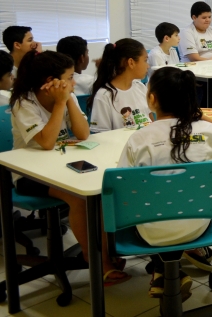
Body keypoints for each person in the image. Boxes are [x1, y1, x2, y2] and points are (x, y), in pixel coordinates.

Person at [118, 67, 212, 297]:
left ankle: (162, 270)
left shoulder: (139, 138)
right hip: (198, 224)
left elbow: (123, 188)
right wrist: (205, 119)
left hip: (151, 231)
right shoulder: (205, 130)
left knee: (150, 206)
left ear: (152, 99)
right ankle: (169, 269)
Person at [10, 50, 130, 286]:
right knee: (79, 198)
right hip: (28, 173)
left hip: (62, 163)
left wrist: (67, 99)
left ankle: (105, 251)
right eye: (69, 77)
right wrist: (60, 102)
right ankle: (93, 257)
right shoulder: (24, 102)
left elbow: (83, 134)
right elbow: (46, 142)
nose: (74, 82)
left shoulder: (68, 95)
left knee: (103, 190)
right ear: (50, 82)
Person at [88, 39, 152, 133]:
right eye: (145, 60)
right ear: (131, 63)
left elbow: (150, 120)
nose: (148, 66)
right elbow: (101, 136)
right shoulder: (104, 95)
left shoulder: (140, 87)